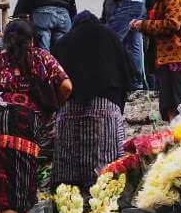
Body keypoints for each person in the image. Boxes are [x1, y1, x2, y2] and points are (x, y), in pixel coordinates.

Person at [0, 19, 72, 213]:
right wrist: (52, 106)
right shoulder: (40, 57)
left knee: (5, 188)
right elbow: (67, 86)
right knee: (18, 192)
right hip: (20, 124)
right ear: (32, 39)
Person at [52, 12, 134, 190]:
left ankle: (70, 205)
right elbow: (127, 75)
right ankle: (104, 207)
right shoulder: (111, 38)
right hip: (106, 110)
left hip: (70, 111)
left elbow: (56, 84)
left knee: (69, 175)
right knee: (106, 172)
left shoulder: (64, 42)